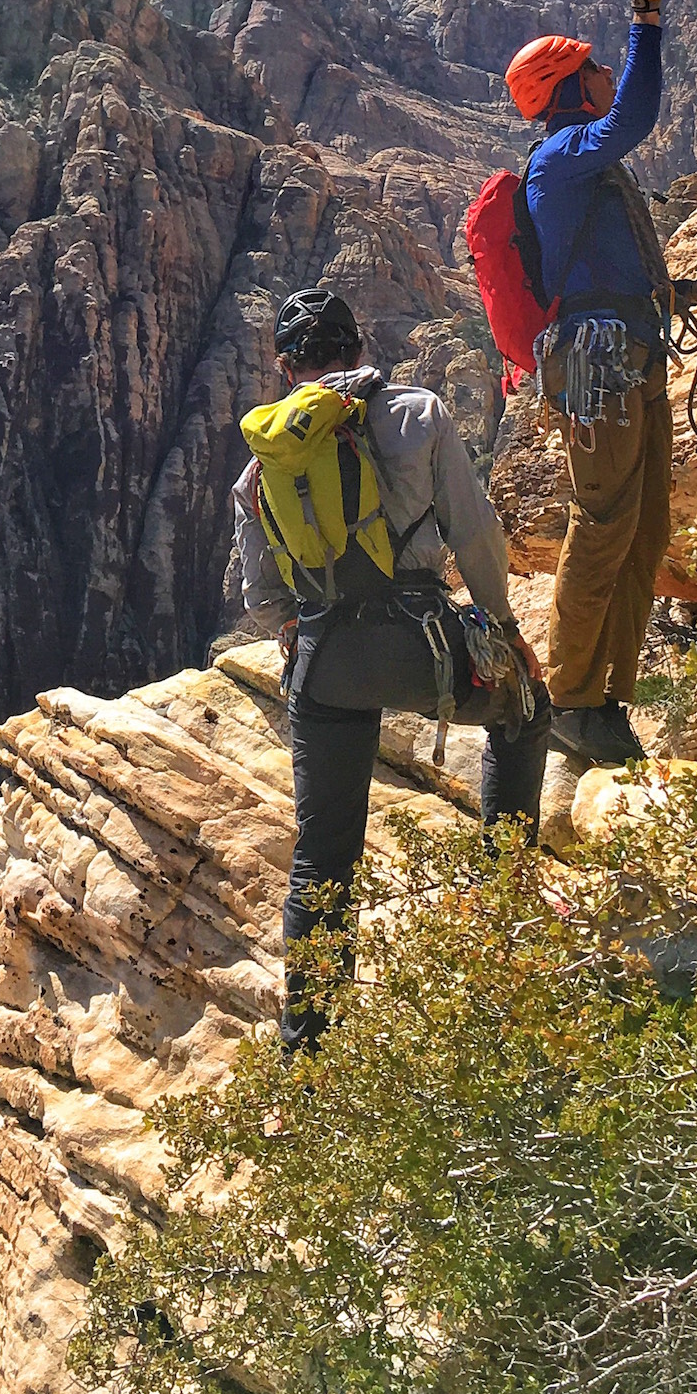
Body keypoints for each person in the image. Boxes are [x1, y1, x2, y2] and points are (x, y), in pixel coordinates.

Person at [231, 287, 550, 1050]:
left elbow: (260, 592)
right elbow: (474, 537)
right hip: (422, 650)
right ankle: (504, 924)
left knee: (323, 855)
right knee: (527, 712)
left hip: (326, 663)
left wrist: (292, 629)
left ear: (285, 368)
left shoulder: (261, 461)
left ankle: (306, 1053)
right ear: (359, 346)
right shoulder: (418, 415)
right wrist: (507, 634)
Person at [504, 0, 693, 770]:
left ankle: (605, 698)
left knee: (643, 527)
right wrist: (644, 14)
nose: (605, 73)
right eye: (594, 66)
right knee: (604, 520)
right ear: (569, 87)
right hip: (602, 363)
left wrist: (681, 295)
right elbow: (638, 114)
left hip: (628, 350)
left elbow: (609, 269)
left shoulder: (588, 165)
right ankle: (573, 700)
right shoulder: (562, 156)